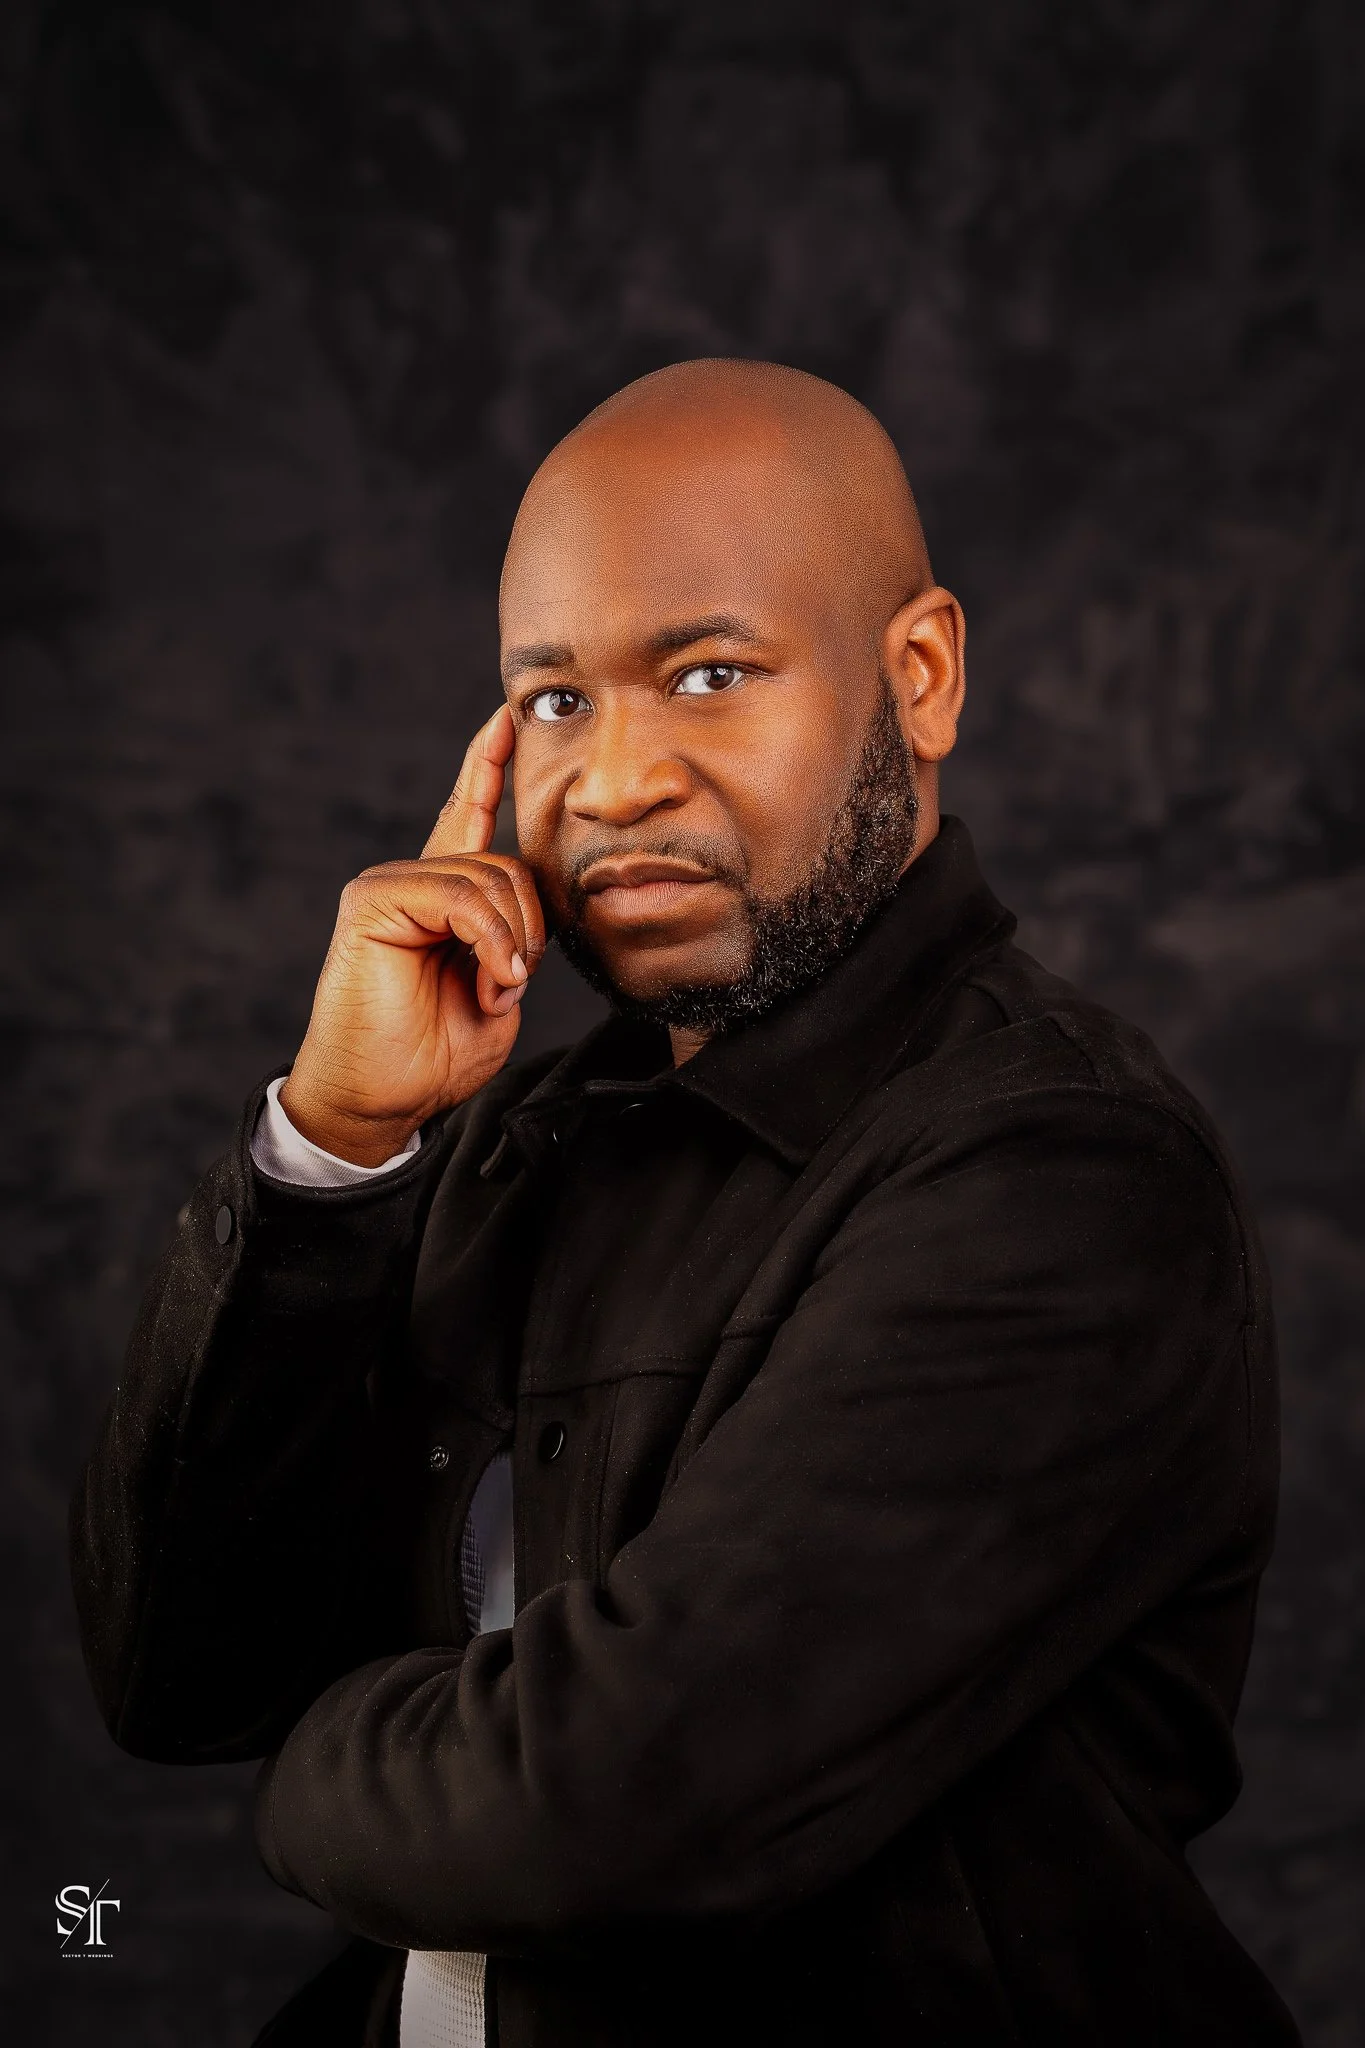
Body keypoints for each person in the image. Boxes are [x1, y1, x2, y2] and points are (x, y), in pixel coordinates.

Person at [70, 360, 1301, 2047]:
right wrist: (336, 1144)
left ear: (921, 678)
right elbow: (178, 1675)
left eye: (710, 675)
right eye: (555, 701)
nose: (614, 780)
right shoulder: (525, 1140)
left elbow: (599, 1814)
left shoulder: (1063, 1174)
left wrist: (313, 1749)